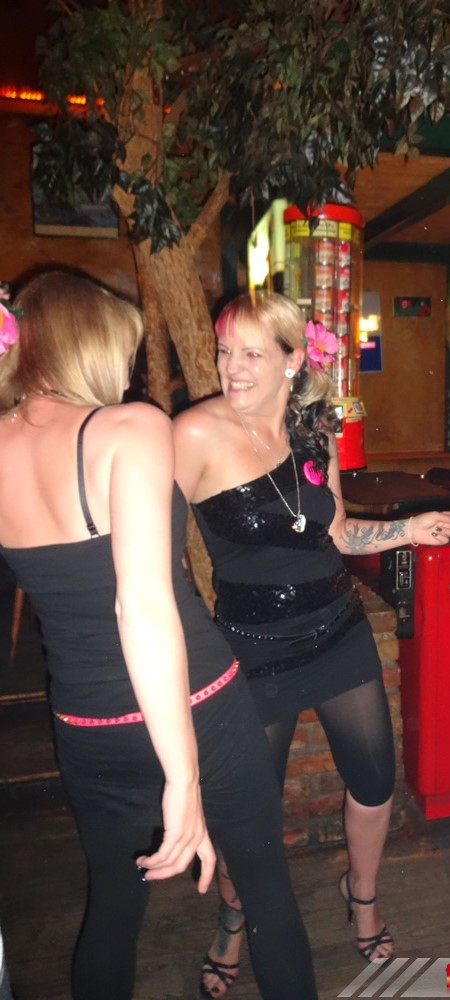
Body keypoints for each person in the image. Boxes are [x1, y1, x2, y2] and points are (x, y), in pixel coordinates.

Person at [0, 271, 317, 1000]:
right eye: (122, 350)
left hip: (85, 725)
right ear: (88, 345)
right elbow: (139, 606)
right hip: (199, 710)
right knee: (266, 888)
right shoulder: (129, 428)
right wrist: (182, 777)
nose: (126, 372)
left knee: (112, 908)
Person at [173, 291, 450, 996]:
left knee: (375, 784)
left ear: (291, 359)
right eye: (224, 352)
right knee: (249, 813)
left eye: (251, 353)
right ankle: (236, 915)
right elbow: (149, 548)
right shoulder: (194, 433)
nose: (232, 368)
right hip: (253, 650)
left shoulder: (314, 433)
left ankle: (361, 894)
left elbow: (334, 536)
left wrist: (408, 529)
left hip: (338, 632)